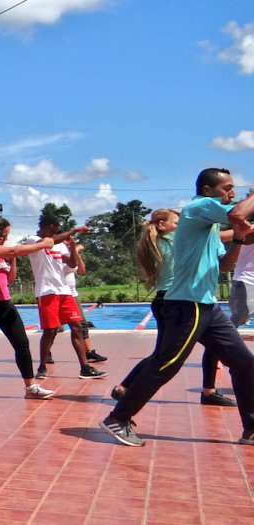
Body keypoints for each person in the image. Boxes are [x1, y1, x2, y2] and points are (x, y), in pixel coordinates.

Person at [101, 168, 254, 447]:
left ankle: (251, 429)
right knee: (166, 364)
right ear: (207, 190)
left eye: (233, 188)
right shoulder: (198, 207)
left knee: (244, 362)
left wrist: (239, 239)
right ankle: (118, 418)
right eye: (227, 188)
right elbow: (237, 214)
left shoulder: (210, 226)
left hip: (207, 305)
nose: (232, 193)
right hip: (187, 304)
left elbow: (224, 266)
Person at [111, 208, 236, 406]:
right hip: (177, 302)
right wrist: (242, 230)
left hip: (179, 300)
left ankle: (209, 391)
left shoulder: (162, 240)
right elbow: (216, 236)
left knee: (205, 348)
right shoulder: (173, 241)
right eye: (177, 223)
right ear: (163, 225)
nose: (182, 227)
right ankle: (123, 399)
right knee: (164, 357)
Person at [0, 216, 55, 399]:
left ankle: (31, 387)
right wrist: (42, 244)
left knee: (21, 343)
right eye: (4, 234)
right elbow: (13, 249)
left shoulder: (0, 252)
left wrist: (12, 258)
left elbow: (10, 278)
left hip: (4, 303)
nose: (6, 238)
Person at [26, 216, 107, 380]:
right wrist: (74, 230)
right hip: (46, 292)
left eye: (56, 230)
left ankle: (85, 368)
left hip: (64, 291)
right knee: (50, 330)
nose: (55, 232)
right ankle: (42, 366)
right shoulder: (33, 240)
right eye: (53, 229)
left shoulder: (61, 245)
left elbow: (71, 264)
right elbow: (49, 242)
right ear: (45, 227)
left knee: (77, 326)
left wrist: (73, 247)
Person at [56, 243, 108, 364]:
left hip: (72, 294)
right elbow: (66, 269)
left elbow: (82, 270)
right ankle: (46, 355)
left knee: (82, 323)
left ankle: (88, 352)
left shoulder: (71, 253)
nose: (68, 242)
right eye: (66, 239)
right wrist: (76, 250)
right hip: (59, 293)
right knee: (53, 328)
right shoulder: (58, 251)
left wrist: (75, 252)